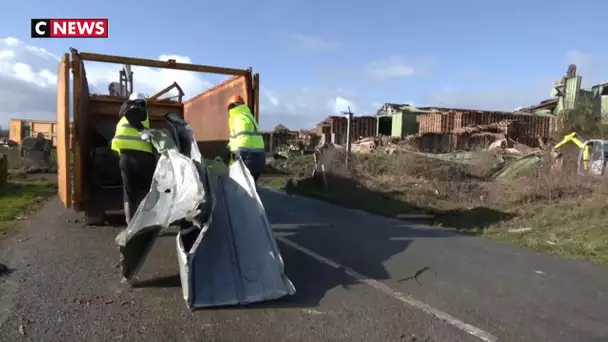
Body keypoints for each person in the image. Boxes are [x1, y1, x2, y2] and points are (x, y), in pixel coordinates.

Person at [111, 92, 157, 224]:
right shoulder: (138, 110)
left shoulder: (122, 118)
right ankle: (148, 223)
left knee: (129, 194)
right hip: (142, 158)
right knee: (149, 191)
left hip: (125, 158)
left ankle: (130, 225)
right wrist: (143, 130)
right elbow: (132, 115)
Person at [227, 95, 265, 187]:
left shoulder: (240, 119)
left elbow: (243, 141)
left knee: (243, 192)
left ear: (231, 108)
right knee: (251, 191)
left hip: (248, 161)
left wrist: (238, 163)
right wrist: (228, 148)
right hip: (257, 161)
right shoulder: (249, 118)